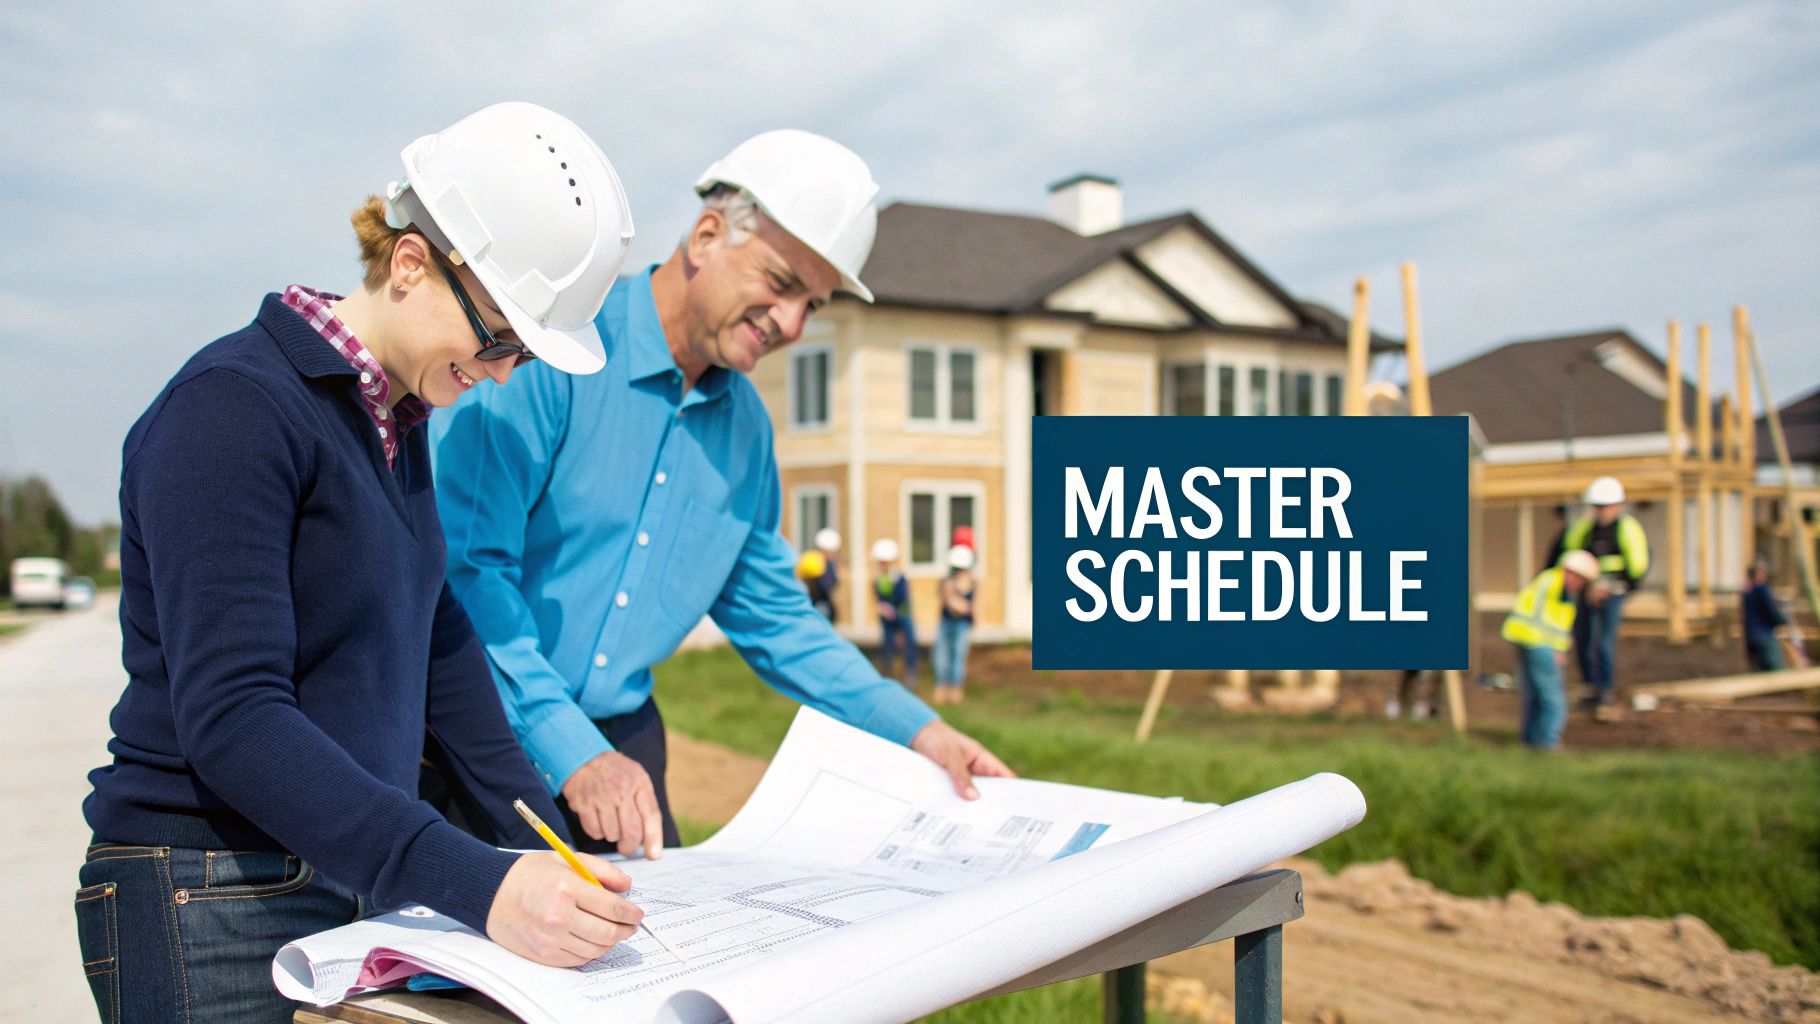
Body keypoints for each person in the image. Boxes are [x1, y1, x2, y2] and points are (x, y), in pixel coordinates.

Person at [74, 104, 643, 1024]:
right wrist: (473, 880)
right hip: (209, 887)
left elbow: (440, 645)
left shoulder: (393, 426)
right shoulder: (233, 409)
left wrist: (541, 840)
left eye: (521, 355)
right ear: (411, 264)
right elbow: (233, 717)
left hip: (343, 869)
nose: (501, 373)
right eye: (497, 337)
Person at [429, 130, 1013, 861]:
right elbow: (466, 575)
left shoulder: (747, 436)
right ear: (706, 235)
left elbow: (777, 619)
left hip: (624, 741)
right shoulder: (549, 356)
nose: (794, 323)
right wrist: (571, 751)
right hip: (477, 736)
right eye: (781, 282)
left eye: (815, 303)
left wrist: (920, 730)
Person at [1546, 476, 1649, 707]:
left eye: (1604, 506)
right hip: (1586, 590)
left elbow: (1637, 568)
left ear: (1617, 506)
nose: (1600, 512)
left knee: (1603, 640)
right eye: (1597, 506)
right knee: (1582, 638)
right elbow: (1568, 556)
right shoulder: (1584, 528)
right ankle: (1589, 686)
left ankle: (1605, 688)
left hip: (1613, 592)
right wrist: (1586, 586)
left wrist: (1610, 588)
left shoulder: (1627, 529)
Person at [1502, 551, 1602, 750]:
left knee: (1532, 696)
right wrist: (1557, 649)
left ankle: (1530, 742)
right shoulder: (1556, 587)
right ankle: (1549, 744)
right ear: (1570, 571)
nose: (1580, 584)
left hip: (1524, 638)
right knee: (1553, 700)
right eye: (1580, 579)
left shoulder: (1548, 580)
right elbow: (1546, 622)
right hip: (1539, 643)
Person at [932, 546, 976, 705]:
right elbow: (950, 602)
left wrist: (958, 598)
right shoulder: (946, 582)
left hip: (962, 625)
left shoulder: (970, 584)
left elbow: (967, 607)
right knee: (941, 656)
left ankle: (955, 690)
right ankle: (941, 687)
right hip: (946, 623)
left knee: (958, 656)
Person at [872, 537, 918, 682]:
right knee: (888, 645)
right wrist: (883, 608)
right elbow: (878, 596)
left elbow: (903, 598)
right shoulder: (879, 578)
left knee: (909, 643)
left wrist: (895, 611)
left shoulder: (898, 577)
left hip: (902, 614)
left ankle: (910, 674)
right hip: (887, 617)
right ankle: (888, 674)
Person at [1742, 555, 1791, 672]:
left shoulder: (1747, 592)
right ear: (1759, 574)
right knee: (1776, 670)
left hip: (1751, 639)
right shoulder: (1762, 589)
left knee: (1759, 672)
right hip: (1765, 637)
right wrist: (1783, 620)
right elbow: (1772, 611)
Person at [803, 527, 843, 622]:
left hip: (811, 604)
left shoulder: (810, 560)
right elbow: (828, 586)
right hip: (822, 605)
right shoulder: (825, 565)